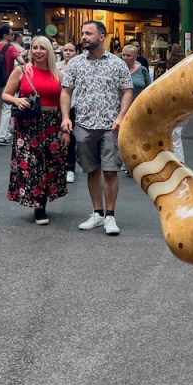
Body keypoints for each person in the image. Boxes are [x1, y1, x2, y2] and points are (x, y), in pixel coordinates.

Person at [60, 20, 132, 235]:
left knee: (110, 172)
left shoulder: (117, 63)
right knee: (92, 171)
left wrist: (121, 117)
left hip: (111, 126)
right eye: (82, 33)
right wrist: (65, 116)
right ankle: (97, 213)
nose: (83, 37)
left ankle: (110, 216)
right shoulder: (75, 63)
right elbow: (66, 91)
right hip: (84, 124)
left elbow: (127, 90)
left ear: (101, 37)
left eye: (88, 34)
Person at [2, 36, 69, 225]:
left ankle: (41, 203)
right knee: (31, 164)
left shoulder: (58, 74)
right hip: (27, 124)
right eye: (35, 48)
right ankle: (38, 206)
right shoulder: (21, 71)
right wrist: (17, 100)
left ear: (49, 51)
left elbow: (63, 101)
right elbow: (5, 94)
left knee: (50, 165)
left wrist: (65, 126)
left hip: (51, 123)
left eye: (42, 48)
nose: (38, 51)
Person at [0, 26, 22, 146]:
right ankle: (1, 136)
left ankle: (6, 132)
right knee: (7, 108)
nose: (12, 35)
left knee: (1, 106)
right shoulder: (11, 48)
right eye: (10, 34)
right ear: (5, 35)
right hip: (8, 80)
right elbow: (22, 61)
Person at [59, 42, 79, 183]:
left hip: (74, 107)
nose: (67, 53)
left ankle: (70, 168)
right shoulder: (55, 66)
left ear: (76, 52)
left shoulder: (80, 67)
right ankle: (57, 167)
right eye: (65, 50)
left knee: (71, 139)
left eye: (70, 50)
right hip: (56, 106)